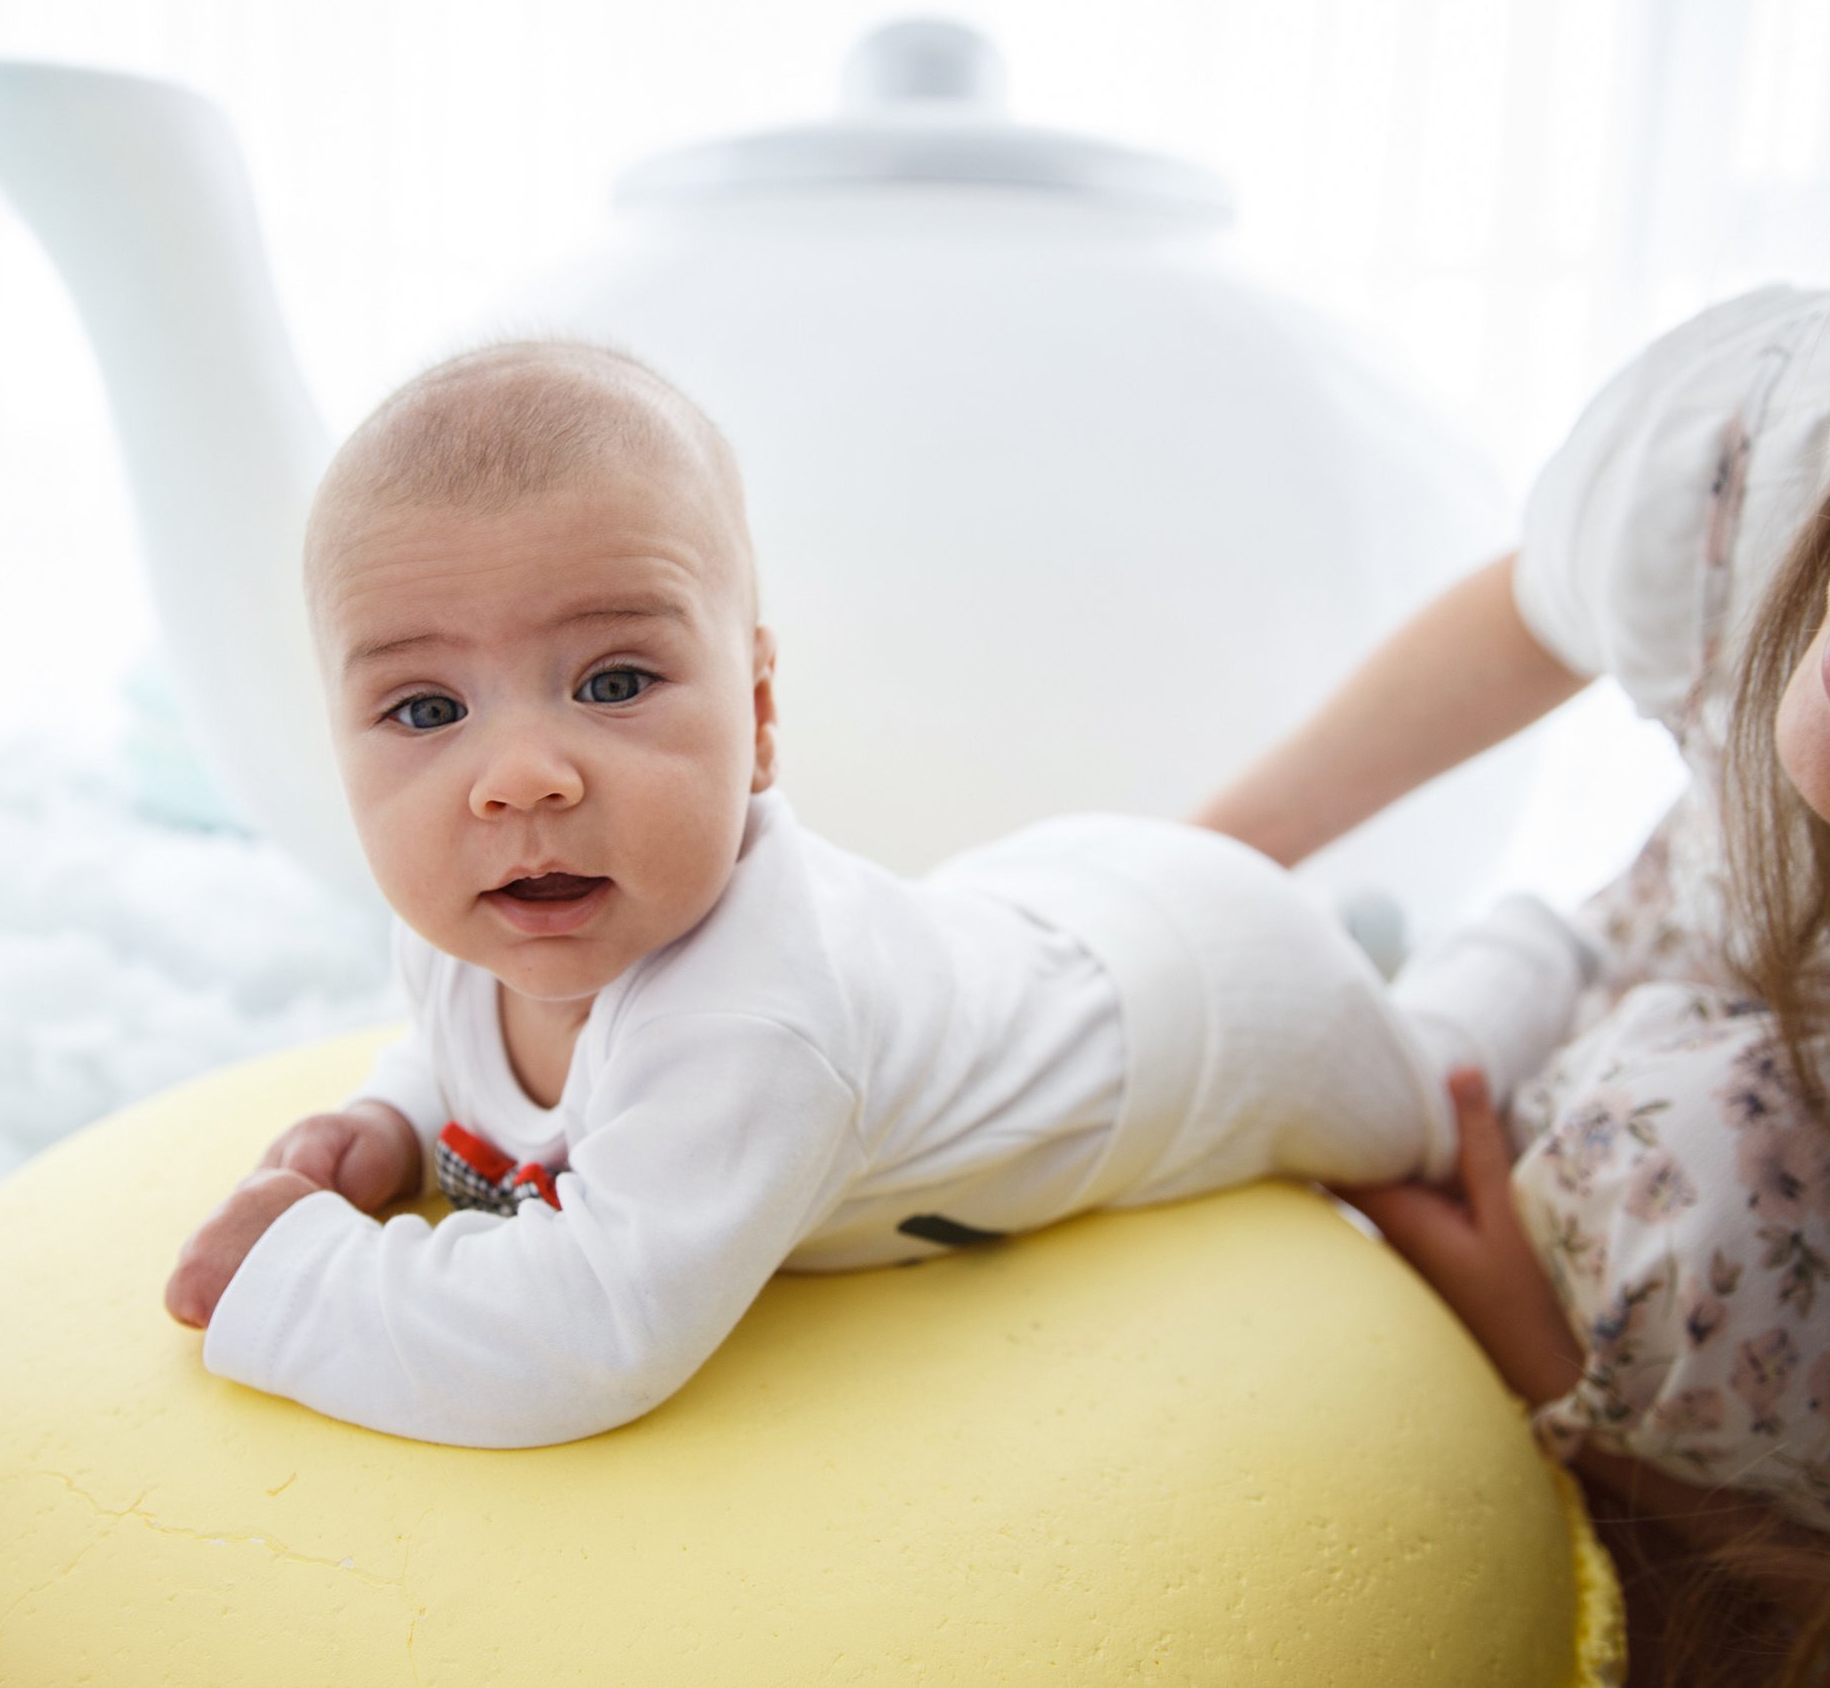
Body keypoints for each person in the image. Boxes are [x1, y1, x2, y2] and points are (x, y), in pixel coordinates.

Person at [1201, 0, 1830, 1675]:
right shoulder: (1781, 445)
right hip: (1633, 989)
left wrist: (1560, 1395)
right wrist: (1190, 879)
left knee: (1694, 1179)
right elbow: (1539, 607)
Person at [158, 339, 1561, 1450]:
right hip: (1028, 907)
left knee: (1432, 1089)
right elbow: (462, 1038)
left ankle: (1545, 944)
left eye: (614, 681)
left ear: (761, 717)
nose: (518, 778)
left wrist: (298, 1281)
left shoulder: (754, 1024)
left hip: (1212, 1009)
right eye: (422, 708)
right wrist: (394, 1117)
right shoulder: (496, 911)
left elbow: (586, 1335)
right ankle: (1387, 929)